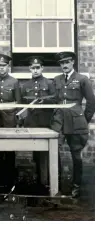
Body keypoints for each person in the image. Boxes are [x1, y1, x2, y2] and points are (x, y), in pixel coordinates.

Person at [50, 51, 95, 198]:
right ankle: (57, 185)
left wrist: (83, 119)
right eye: (62, 63)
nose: (64, 65)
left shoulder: (82, 79)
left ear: (73, 63)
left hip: (75, 123)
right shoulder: (56, 80)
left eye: (67, 62)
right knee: (54, 153)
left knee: (76, 155)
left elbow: (91, 102)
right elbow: (54, 100)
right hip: (59, 122)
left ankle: (76, 186)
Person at [19, 56, 56, 189]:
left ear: (42, 68)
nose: (35, 70)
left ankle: (51, 184)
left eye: (37, 68)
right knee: (37, 154)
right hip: (32, 124)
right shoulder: (25, 86)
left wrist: (44, 101)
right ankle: (40, 183)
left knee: (49, 155)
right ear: (30, 69)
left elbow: (54, 101)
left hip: (46, 123)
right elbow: (22, 105)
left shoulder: (49, 83)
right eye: (33, 68)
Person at [0, 54, 21, 189]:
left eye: (4, 66)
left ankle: (9, 183)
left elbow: (18, 103)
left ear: (8, 66)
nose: (2, 68)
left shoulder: (14, 82)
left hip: (9, 121)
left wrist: (16, 120)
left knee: (9, 152)